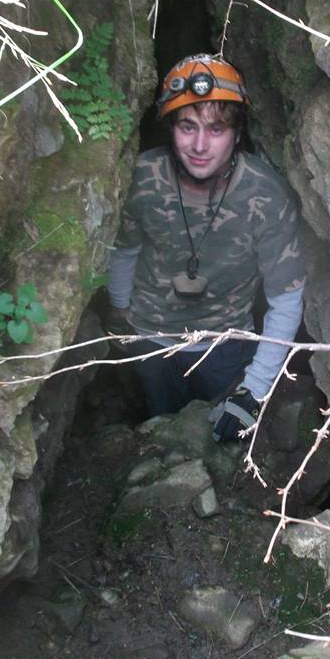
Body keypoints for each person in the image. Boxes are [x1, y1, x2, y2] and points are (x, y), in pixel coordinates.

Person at [106, 54, 305, 441]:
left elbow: (286, 297)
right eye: (188, 126)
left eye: (216, 129)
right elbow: (124, 250)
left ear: (237, 133)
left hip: (224, 348)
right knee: (160, 434)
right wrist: (119, 313)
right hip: (149, 341)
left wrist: (253, 390)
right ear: (170, 128)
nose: (199, 145)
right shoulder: (142, 177)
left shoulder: (266, 194)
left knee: (219, 442)